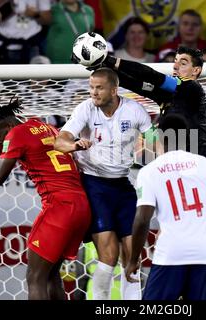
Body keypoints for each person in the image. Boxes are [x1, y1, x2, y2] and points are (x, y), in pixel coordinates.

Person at [0, 91, 91, 300]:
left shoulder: (16, 134)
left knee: (35, 278)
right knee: (51, 276)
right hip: (80, 205)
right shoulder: (46, 126)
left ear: (6, 127)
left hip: (59, 206)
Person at [54, 68, 153, 300]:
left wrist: (162, 160)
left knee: (133, 258)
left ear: (114, 90)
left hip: (123, 185)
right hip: (93, 186)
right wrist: (75, 145)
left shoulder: (134, 110)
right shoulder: (85, 108)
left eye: (99, 88)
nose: (94, 93)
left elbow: (155, 140)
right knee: (108, 255)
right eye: (91, 87)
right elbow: (60, 141)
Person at [125, 114, 206, 300]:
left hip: (170, 254)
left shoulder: (148, 171)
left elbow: (142, 219)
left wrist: (134, 259)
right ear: (187, 136)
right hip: (204, 254)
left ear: (158, 136)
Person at [95, 46, 206, 158]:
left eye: (183, 63)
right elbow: (136, 85)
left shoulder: (193, 88)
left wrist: (113, 61)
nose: (175, 66)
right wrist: (103, 69)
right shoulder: (167, 95)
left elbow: (152, 76)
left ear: (196, 70)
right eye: (175, 62)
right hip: (177, 163)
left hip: (201, 161)